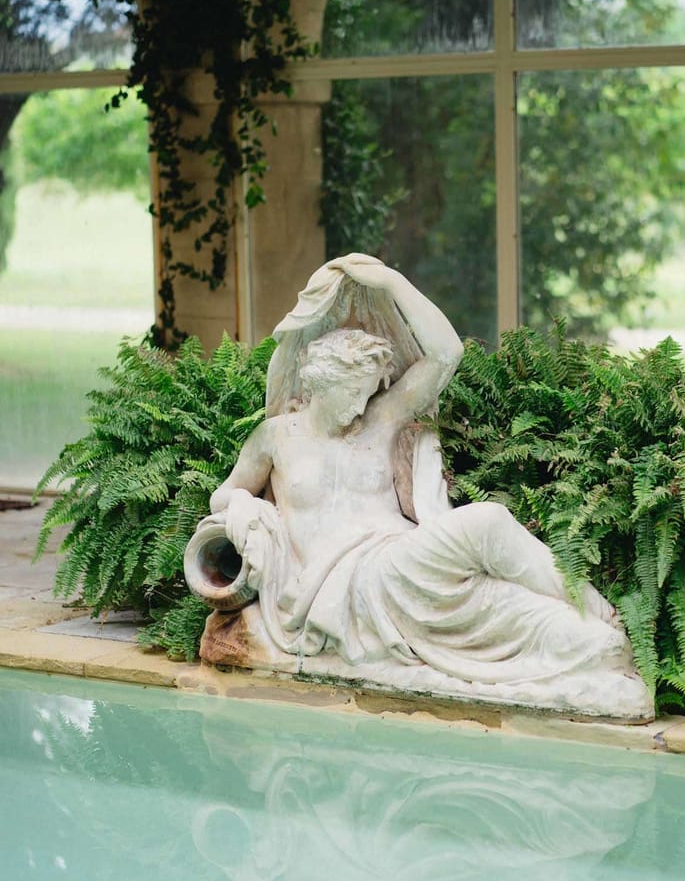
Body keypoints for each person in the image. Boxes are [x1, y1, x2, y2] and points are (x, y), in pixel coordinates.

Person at [185, 254, 654, 721]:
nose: (361, 405)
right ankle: (593, 603)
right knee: (486, 521)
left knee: (586, 643)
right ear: (321, 383)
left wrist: (392, 282)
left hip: (405, 563)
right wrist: (245, 505)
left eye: (370, 393)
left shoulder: (378, 422)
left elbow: (446, 355)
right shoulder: (277, 438)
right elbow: (224, 496)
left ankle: (594, 620)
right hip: (353, 584)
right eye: (354, 393)